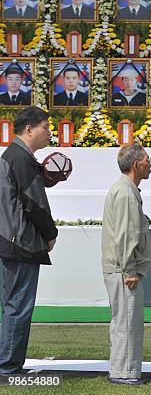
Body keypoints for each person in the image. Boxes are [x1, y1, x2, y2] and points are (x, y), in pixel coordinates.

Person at [0, 107, 57, 374]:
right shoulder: (21, 158)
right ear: (29, 129)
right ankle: (9, 366)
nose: (50, 132)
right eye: (46, 127)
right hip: (20, 242)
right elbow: (34, 204)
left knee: (12, 305)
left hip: (9, 239)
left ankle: (7, 362)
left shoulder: (11, 156)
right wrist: (50, 233)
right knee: (18, 307)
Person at [101, 144, 151, 386]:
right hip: (124, 270)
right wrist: (131, 269)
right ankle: (124, 372)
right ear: (136, 165)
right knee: (127, 321)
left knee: (126, 320)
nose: (150, 165)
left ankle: (124, 369)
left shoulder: (127, 190)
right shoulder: (124, 192)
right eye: (147, 161)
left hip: (123, 267)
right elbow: (125, 234)